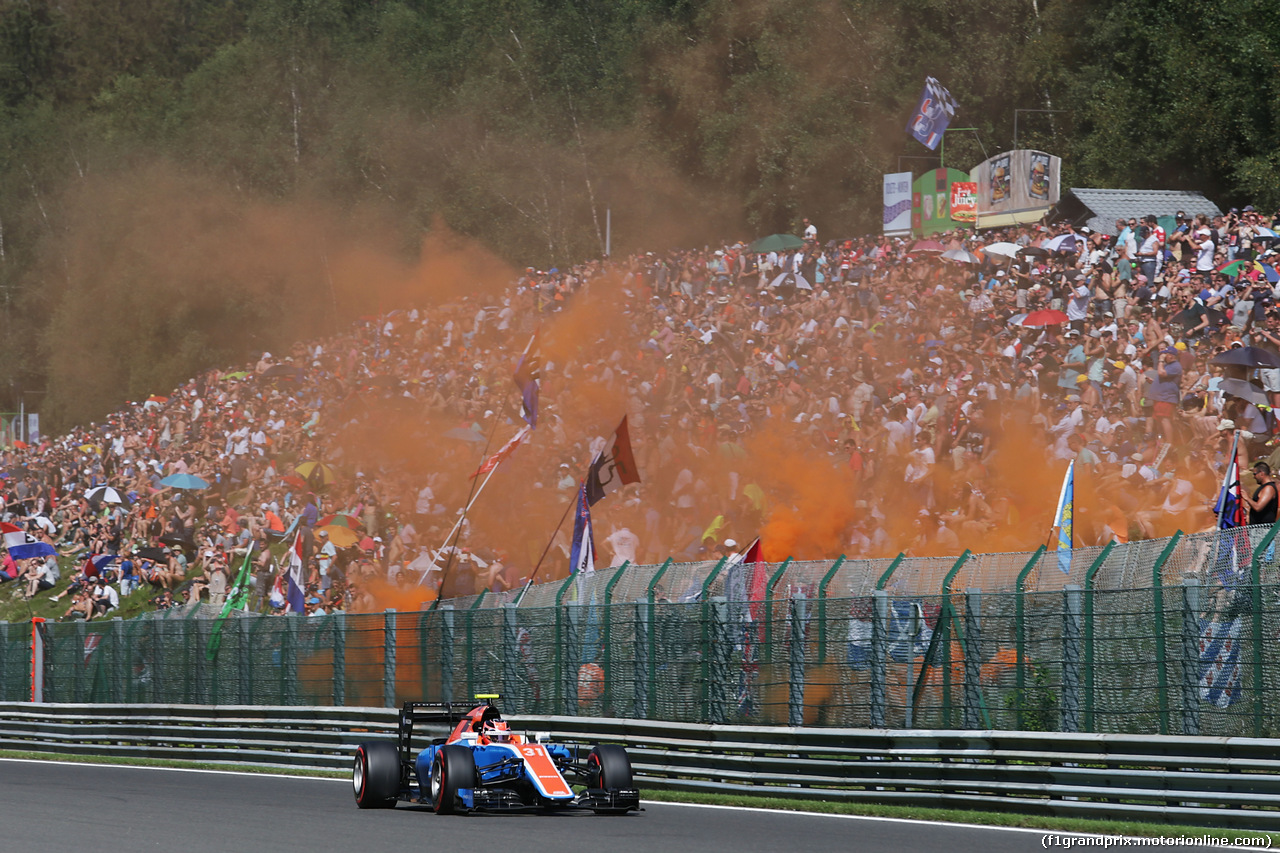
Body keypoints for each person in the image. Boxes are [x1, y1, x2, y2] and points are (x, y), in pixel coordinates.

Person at [1243, 461, 1278, 526]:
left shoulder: (1269, 488)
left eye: (1255, 474)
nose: (1254, 477)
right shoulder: (1263, 487)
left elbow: (1258, 507)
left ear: (1261, 473)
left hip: (1264, 529)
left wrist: (1247, 498)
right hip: (1256, 528)